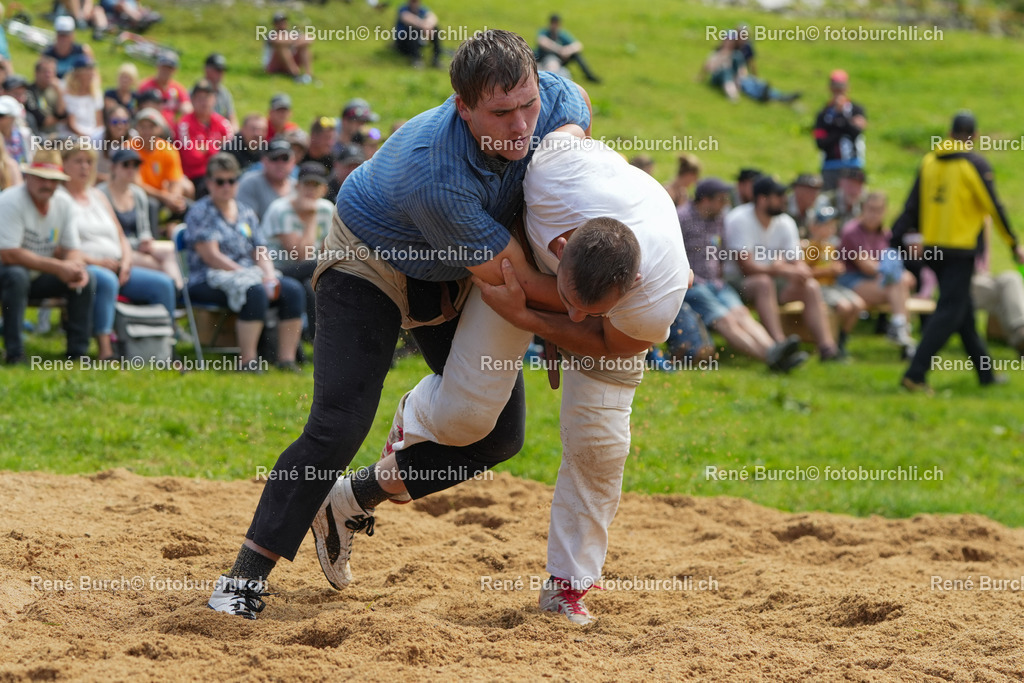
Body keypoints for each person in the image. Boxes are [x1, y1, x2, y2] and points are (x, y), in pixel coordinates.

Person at [206, 29, 591, 619]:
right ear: (462, 109)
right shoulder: (433, 171)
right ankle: (243, 579)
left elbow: (573, 117)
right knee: (338, 424)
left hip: (455, 269)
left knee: (499, 435)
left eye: (528, 106)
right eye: (501, 113)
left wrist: (566, 143)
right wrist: (576, 321)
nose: (520, 126)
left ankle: (350, 500)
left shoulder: (555, 100)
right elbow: (516, 283)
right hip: (372, 261)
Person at [313, 127, 683, 627]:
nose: (574, 318)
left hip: (578, 306)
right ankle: (417, 412)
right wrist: (538, 306)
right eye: (569, 302)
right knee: (465, 418)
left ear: (633, 285)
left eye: (584, 310)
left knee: (601, 444)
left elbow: (608, 341)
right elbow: (570, 109)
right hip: (522, 271)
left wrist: (540, 322)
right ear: (562, 243)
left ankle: (567, 587)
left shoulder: (656, 294)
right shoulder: (554, 177)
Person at [893, 112, 1024, 392]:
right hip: (960, 251)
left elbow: (912, 206)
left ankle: (986, 374)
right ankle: (915, 373)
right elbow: (994, 207)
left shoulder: (929, 161)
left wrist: (896, 238)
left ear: (949, 133)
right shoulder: (973, 163)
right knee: (950, 311)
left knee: (962, 309)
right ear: (974, 136)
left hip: (933, 251)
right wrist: (1013, 244)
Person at [182, 153, 304, 371]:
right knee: (255, 291)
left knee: (292, 289)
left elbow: (260, 248)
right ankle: (248, 360)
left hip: (248, 274)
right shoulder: (200, 212)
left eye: (232, 180)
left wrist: (267, 274)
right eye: (220, 181)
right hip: (208, 278)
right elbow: (211, 256)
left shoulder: (245, 212)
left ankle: (286, 359)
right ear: (209, 183)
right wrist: (248, 274)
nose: (226, 186)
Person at [60, 141, 176, 360]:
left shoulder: (97, 196)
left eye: (88, 162)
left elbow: (121, 235)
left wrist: (127, 261)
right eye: (78, 161)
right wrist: (96, 261)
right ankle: (106, 350)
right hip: (86, 265)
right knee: (106, 280)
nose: (84, 167)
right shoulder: (60, 199)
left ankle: (166, 347)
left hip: (118, 264)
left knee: (164, 284)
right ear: (64, 164)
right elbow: (62, 247)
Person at [678, 177, 806, 370]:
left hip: (716, 283)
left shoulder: (718, 219)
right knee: (726, 320)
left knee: (742, 313)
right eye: (721, 199)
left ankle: (776, 349)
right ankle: (771, 358)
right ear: (706, 200)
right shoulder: (682, 219)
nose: (726, 204)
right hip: (693, 285)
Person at [724, 176, 840, 360]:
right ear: (762, 199)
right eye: (778, 195)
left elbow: (795, 261)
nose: (784, 199)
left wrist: (800, 271)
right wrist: (781, 269)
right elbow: (746, 267)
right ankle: (779, 344)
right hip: (737, 283)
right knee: (763, 283)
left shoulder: (785, 222)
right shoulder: (739, 219)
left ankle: (828, 348)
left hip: (773, 280)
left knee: (810, 286)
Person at [0, 150, 95, 364]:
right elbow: (8, 254)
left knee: (86, 281)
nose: (48, 185)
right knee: (16, 275)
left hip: (40, 273)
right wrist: (58, 268)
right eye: (42, 178)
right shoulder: (10, 201)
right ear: (28, 177)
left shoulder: (64, 203)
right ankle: (14, 352)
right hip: (7, 272)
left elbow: (72, 248)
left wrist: (75, 268)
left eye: (54, 180)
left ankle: (78, 353)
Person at [838, 192, 917, 356]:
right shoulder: (851, 231)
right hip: (850, 281)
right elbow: (866, 265)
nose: (875, 214)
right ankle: (904, 339)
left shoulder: (886, 234)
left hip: (878, 282)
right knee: (898, 286)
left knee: (900, 284)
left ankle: (899, 329)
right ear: (862, 209)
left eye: (879, 210)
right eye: (871, 209)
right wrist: (895, 272)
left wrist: (901, 273)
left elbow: (891, 262)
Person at [262, 162, 333, 340]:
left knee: (310, 286)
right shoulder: (281, 210)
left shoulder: (328, 209)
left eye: (315, 185)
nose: (310, 190)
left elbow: (328, 251)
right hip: (276, 270)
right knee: (317, 268)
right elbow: (301, 255)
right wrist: (311, 219)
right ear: (296, 186)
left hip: (307, 271)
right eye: (306, 184)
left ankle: (319, 341)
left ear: (323, 189)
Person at [97, 147, 182, 290]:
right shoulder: (101, 194)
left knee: (170, 250)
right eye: (126, 165)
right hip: (117, 249)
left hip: (137, 246)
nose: (131, 169)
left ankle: (178, 292)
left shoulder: (138, 194)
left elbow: (144, 228)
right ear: (113, 167)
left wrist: (145, 240)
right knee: (159, 266)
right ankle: (176, 292)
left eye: (135, 165)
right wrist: (138, 244)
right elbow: (108, 234)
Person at [805, 205, 863, 357]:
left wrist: (837, 270)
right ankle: (832, 344)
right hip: (819, 288)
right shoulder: (810, 247)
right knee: (844, 307)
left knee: (858, 304)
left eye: (833, 225)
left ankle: (842, 339)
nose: (831, 228)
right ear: (814, 227)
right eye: (826, 225)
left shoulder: (830, 246)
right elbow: (805, 273)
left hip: (832, 286)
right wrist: (828, 270)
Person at [134, 107, 193, 227]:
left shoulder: (168, 150)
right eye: (143, 126)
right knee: (152, 205)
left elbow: (175, 180)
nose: (147, 131)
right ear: (137, 128)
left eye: (151, 127)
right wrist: (165, 197)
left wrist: (174, 199)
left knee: (188, 206)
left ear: (159, 129)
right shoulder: (129, 148)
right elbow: (136, 184)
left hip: (163, 196)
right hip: (140, 196)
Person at [177, 78, 233, 199]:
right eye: (199, 98)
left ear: (214, 100)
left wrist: (205, 148)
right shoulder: (184, 124)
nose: (204, 102)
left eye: (207, 97)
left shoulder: (223, 123)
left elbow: (231, 153)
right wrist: (216, 146)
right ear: (192, 100)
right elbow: (191, 157)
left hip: (223, 174)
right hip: (197, 176)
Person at [813, 69, 867, 192]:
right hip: (830, 165)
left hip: (853, 164)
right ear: (830, 88)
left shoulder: (856, 110)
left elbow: (856, 133)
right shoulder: (822, 114)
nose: (838, 91)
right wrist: (843, 126)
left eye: (841, 87)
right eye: (835, 87)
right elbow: (820, 143)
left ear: (847, 87)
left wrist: (839, 120)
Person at [236, 138, 295, 220]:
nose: (280, 164)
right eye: (274, 158)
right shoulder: (251, 183)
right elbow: (247, 221)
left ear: (293, 161)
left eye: (285, 159)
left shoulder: (297, 187)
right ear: (264, 160)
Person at [536, 14, 600, 83]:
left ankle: (589, 75)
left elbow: (578, 45)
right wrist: (559, 50)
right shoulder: (545, 32)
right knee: (552, 64)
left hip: (561, 57)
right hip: (546, 57)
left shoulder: (561, 34)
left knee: (576, 55)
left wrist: (567, 51)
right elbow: (542, 42)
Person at [137, 53, 191, 125]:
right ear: (158, 67)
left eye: (169, 68)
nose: (166, 71)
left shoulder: (177, 88)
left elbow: (187, 106)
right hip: (150, 125)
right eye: (164, 67)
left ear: (175, 70)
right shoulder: (146, 86)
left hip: (171, 128)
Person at [262, 12, 313, 85]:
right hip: (272, 65)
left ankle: (308, 75)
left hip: (287, 61)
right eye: (279, 22)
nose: (282, 24)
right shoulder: (271, 34)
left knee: (304, 48)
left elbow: (308, 39)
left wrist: (293, 43)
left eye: (283, 21)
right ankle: (295, 74)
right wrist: (294, 42)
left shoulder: (292, 33)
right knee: (282, 48)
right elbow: (278, 41)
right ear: (275, 24)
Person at [61, 54, 102, 138]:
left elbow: (99, 122)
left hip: (93, 135)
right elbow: (71, 125)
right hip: (73, 136)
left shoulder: (96, 93)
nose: (92, 73)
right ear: (78, 73)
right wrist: (88, 137)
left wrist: (98, 136)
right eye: (88, 69)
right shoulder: (67, 95)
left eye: (92, 69)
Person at [394, 0, 443, 69]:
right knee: (413, 30)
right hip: (402, 43)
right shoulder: (403, 9)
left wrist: (429, 26)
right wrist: (424, 26)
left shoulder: (422, 9)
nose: (414, 3)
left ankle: (436, 59)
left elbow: (433, 17)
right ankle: (416, 59)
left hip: (416, 42)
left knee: (435, 29)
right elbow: (407, 18)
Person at [25, 57, 67, 136]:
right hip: (38, 135)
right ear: (36, 73)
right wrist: (60, 118)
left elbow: (63, 113)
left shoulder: (56, 91)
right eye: (45, 72)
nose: (49, 75)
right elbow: (42, 121)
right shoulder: (29, 91)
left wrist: (60, 92)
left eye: (52, 72)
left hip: (56, 133)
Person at [93, 104, 134, 183]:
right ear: (107, 123)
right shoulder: (96, 140)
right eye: (115, 122)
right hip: (101, 184)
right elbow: (90, 172)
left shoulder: (135, 138)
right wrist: (113, 179)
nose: (120, 125)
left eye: (124, 121)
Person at [202, 53, 237, 129]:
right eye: (218, 70)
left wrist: (234, 133)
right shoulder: (197, 91)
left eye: (223, 70)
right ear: (207, 70)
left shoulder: (225, 93)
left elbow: (232, 118)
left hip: (220, 133)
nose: (221, 73)